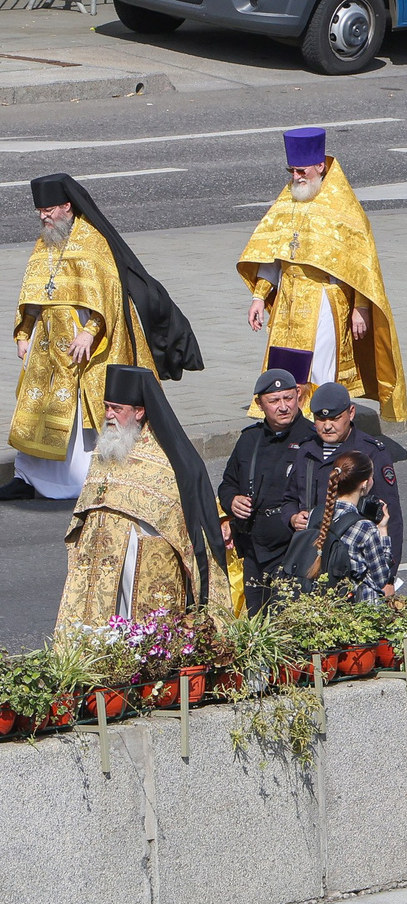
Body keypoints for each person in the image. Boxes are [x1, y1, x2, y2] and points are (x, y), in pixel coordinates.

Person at [239, 127, 407, 419]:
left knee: (319, 367)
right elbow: (273, 255)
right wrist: (258, 297)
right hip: (288, 302)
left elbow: (360, 264)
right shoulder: (288, 199)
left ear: (320, 166)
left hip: (324, 302)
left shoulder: (342, 205)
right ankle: (285, 421)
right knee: (282, 365)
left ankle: (323, 421)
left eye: (302, 170)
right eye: (291, 170)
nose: (296, 177)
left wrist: (361, 307)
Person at [9, 177, 157, 501]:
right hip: (46, 344)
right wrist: (24, 332)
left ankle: (87, 479)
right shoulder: (45, 241)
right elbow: (35, 292)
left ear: (66, 206)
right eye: (40, 211)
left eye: (48, 210)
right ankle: (28, 477)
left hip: (84, 346)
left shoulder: (92, 242)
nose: (43, 217)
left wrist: (89, 334)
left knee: (82, 415)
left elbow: (108, 297)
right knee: (36, 409)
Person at [55, 363, 224, 630]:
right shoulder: (106, 449)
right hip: (99, 563)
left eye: (117, 409)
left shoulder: (166, 457)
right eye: (107, 406)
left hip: (143, 560)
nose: (109, 415)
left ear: (140, 411)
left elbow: (185, 515)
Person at [218, 368, 320, 611]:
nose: (283, 407)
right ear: (260, 404)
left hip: (294, 549)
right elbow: (227, 484)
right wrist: (232, 501)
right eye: (274, 401)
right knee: (257, 619)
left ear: (299, 397)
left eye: (288, 398)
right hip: (254, 548)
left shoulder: (312, 440)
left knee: (288, 621)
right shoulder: (249, 439)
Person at [305, 380, 404, 573]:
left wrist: (389, 575)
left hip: (358, 559)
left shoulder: (370, 452)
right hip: (315, 559)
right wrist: (293, 516)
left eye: (335, 418)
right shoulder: (306, 451)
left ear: (351, 413)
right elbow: (292, 497)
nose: (327, 426)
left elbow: (390, 516)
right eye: (320, 419)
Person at [305, 451, 397, 602]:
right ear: (365, 483)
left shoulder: (316, 513)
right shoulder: (364, 527)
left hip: (323, 603)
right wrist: (382, 530)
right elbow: (381, 577)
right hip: (357, 608)